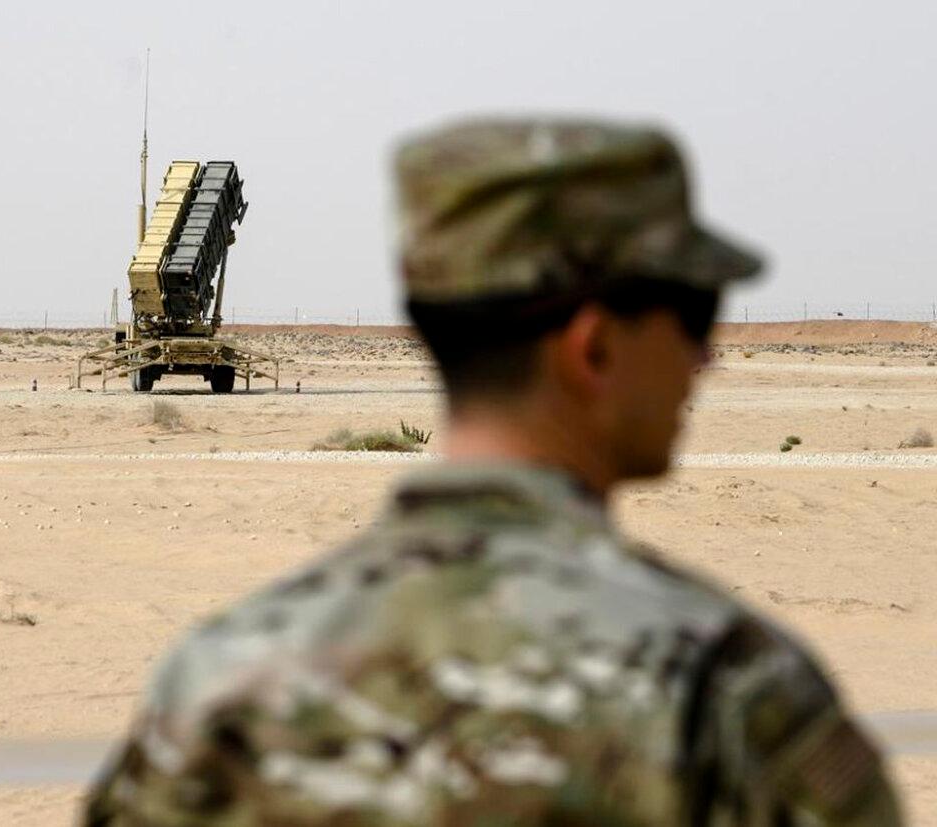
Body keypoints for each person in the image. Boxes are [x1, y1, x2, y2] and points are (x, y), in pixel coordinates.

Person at [84, 117, 903, 825]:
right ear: (594, 346)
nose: (706, 356)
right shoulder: (731, 693)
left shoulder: (221, 682)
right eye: (692, 315)